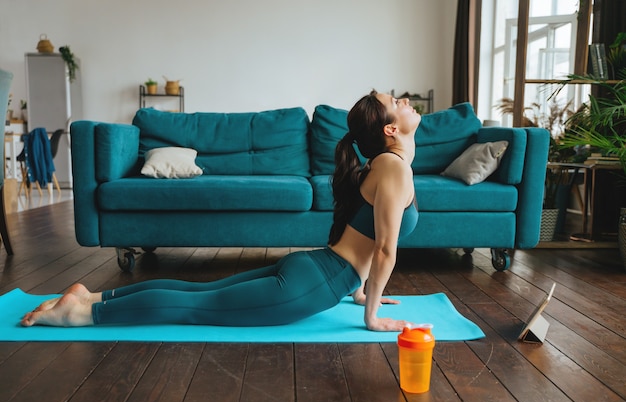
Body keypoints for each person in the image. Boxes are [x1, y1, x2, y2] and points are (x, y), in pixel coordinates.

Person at [20, 90, 421, 332]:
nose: (403, 100)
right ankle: (81, 314)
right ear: (390, 129)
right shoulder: (393, 168)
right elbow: (384, 250)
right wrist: (371, 315)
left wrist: (361, 292)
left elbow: (361, 230)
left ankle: (92, 295)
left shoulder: (385, 167)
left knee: (200, 293)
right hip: (314, 283)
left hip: (316, 269)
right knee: (197, 306)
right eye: (396, 101)